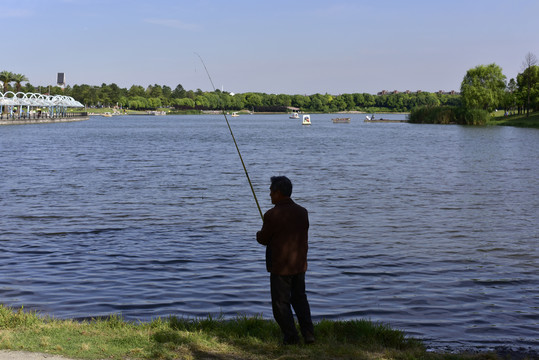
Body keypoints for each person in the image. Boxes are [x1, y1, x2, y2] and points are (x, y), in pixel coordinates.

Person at [256, 176, 315, 345]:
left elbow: (263, 239)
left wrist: (258, 234)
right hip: (299, 264)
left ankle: (291, 337)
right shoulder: (303, 212)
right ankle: (309, 334)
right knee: (300, 300)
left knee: (280, 304)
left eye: (271, 192)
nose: (269, 195)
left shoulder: (271, 215)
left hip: (280, 267)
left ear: (279, 193)